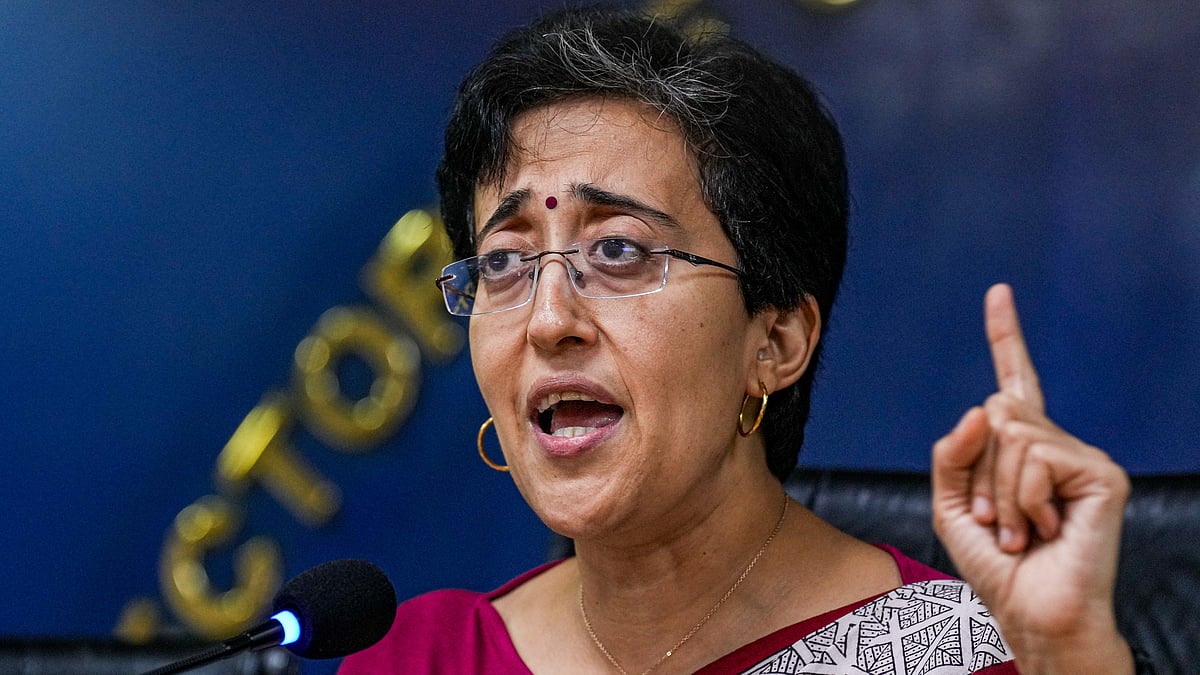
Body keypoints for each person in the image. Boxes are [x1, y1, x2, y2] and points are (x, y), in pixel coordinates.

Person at [341, 7, 1137, 673]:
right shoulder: (418, 654)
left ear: (777, 340)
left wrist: (1073, 658)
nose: (550, 320)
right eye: (505, 262)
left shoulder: (945, 654)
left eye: (617, 249)